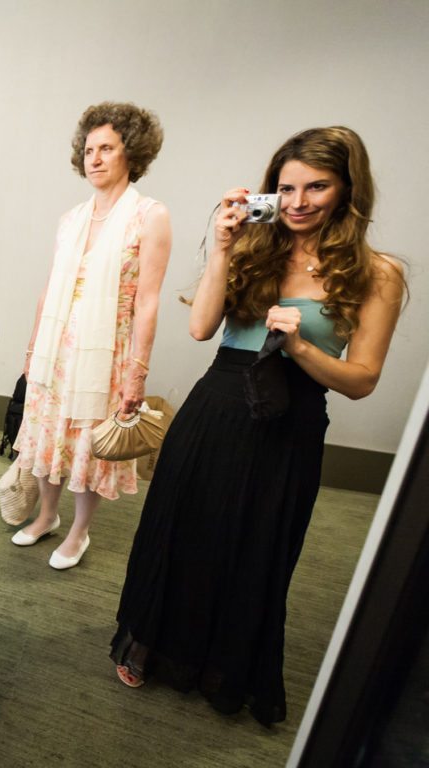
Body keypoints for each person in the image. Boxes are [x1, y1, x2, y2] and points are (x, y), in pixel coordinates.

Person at [110, 126, 406, 725]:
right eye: (286, 187)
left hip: (290, 421)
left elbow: (362, 379)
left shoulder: (378, 273)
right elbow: (201, 329)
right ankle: (153, 643)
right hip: (216, 406)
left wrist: (300, 349)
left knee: (257, 546)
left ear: (349, 189)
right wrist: (221, 246)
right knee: (183, 529)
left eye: (316, 187)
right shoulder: (254, 245)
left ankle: (222, 666)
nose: (297, 202)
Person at [9, 102, 172, 569]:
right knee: (48, 437)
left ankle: (79, 531)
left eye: (107, 148)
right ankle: (46, 516)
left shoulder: (150, 216)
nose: (94, 158)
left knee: (85, 443)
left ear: (131, 153)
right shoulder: (71, 218)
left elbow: (147, 300)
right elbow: (49, 288)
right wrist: (32, 347)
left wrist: (137, 372)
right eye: (88, 149)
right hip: (56, 351)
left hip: (108, 353)